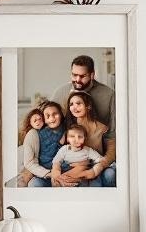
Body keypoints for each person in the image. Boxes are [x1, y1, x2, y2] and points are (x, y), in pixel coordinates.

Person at [51, 55, 116, 187]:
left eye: (83, 76)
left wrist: (97, 167)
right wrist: (55, 169)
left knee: (110, 175)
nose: (77, 80)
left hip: (95, 158)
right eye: (74, 75)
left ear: (92, 75)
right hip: (67, 158)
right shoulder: (61, 92)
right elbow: (50, 129)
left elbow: (113, 139)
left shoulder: (108, 95)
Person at [57, 91, 116, 188]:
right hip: (74, 169)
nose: (74, 107)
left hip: (98, 166)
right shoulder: (67, 128)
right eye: (71, 104)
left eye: (78, 103)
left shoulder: (103, 129)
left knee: (110, 174)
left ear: (88, 106)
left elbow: (111, 154)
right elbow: (60, 153)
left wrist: (96, 168)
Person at [25, 101, 67, 188]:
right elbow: (29, 162)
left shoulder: (67, 130)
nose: (52, 118)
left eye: (55, 114)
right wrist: (50, 174)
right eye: (47, 116)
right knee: (35, 184)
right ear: (43, 118)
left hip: (65, 171)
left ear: (61, 114)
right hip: (44, 173)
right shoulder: (37, 134)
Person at [16, 107, 45, 187]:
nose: (38, 121)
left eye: (40, 119)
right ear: (30, 123)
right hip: (24, 162)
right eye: (35, 120)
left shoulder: (43, 133)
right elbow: (30, 163)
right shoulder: (32, 133)